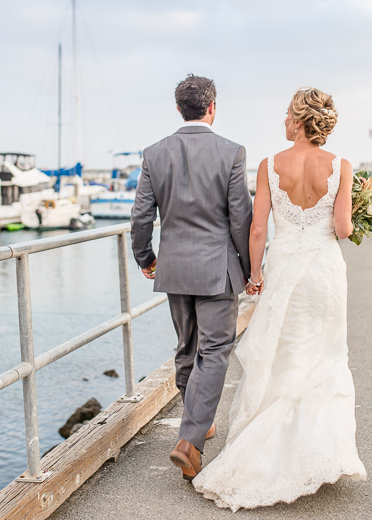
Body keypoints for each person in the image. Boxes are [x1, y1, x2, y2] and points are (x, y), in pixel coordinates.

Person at [192, 87, 367, 511]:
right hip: (324, 273)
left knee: (283, 357)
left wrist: (255, 275)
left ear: (301, 120)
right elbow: (343, 230)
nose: (283, 120)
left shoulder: (270, 165)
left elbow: (257, 229)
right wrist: (360, 208)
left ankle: (270, 452)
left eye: (288, 113)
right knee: (324, 358)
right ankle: (320, 454)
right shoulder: (341, 166)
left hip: (286, 270)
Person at [131, 74, 252, 481]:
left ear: (179, 109)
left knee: (187, 346)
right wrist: (249, 269)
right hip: (218, 268)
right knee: (215, 350)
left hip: (175, 267)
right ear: (213, 107)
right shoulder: (231, 152)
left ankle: (198, 420)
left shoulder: (154, 153)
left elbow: (141, 217)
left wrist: (146, 258)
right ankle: (190, 442)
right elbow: (241, 218)